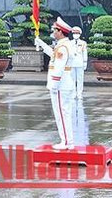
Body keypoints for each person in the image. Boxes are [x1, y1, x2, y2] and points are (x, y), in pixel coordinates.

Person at [35, 18, 76, 150]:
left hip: (60, 85)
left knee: (62, 114)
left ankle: (66, 142)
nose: (53, 32)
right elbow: (53, 55)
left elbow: (58, 66)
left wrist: (54, 84)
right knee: (64, 113)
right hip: (64, 83)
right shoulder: (63, 45)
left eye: (55, 30)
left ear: (60, 32)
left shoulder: (63, 47)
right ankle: (67, 140)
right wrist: (41, 43)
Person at [70, 26, 88, 100]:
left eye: (77, 33)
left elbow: (85, 53)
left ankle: (79, 93)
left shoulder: (83, 43)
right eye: (74, 33)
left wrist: (85, 62)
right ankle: (73, 93)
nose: (75, 34)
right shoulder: (70, 43)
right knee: (72, 79)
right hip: (72, 63)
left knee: (80, 80)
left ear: (80, 34)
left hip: (80, 63)